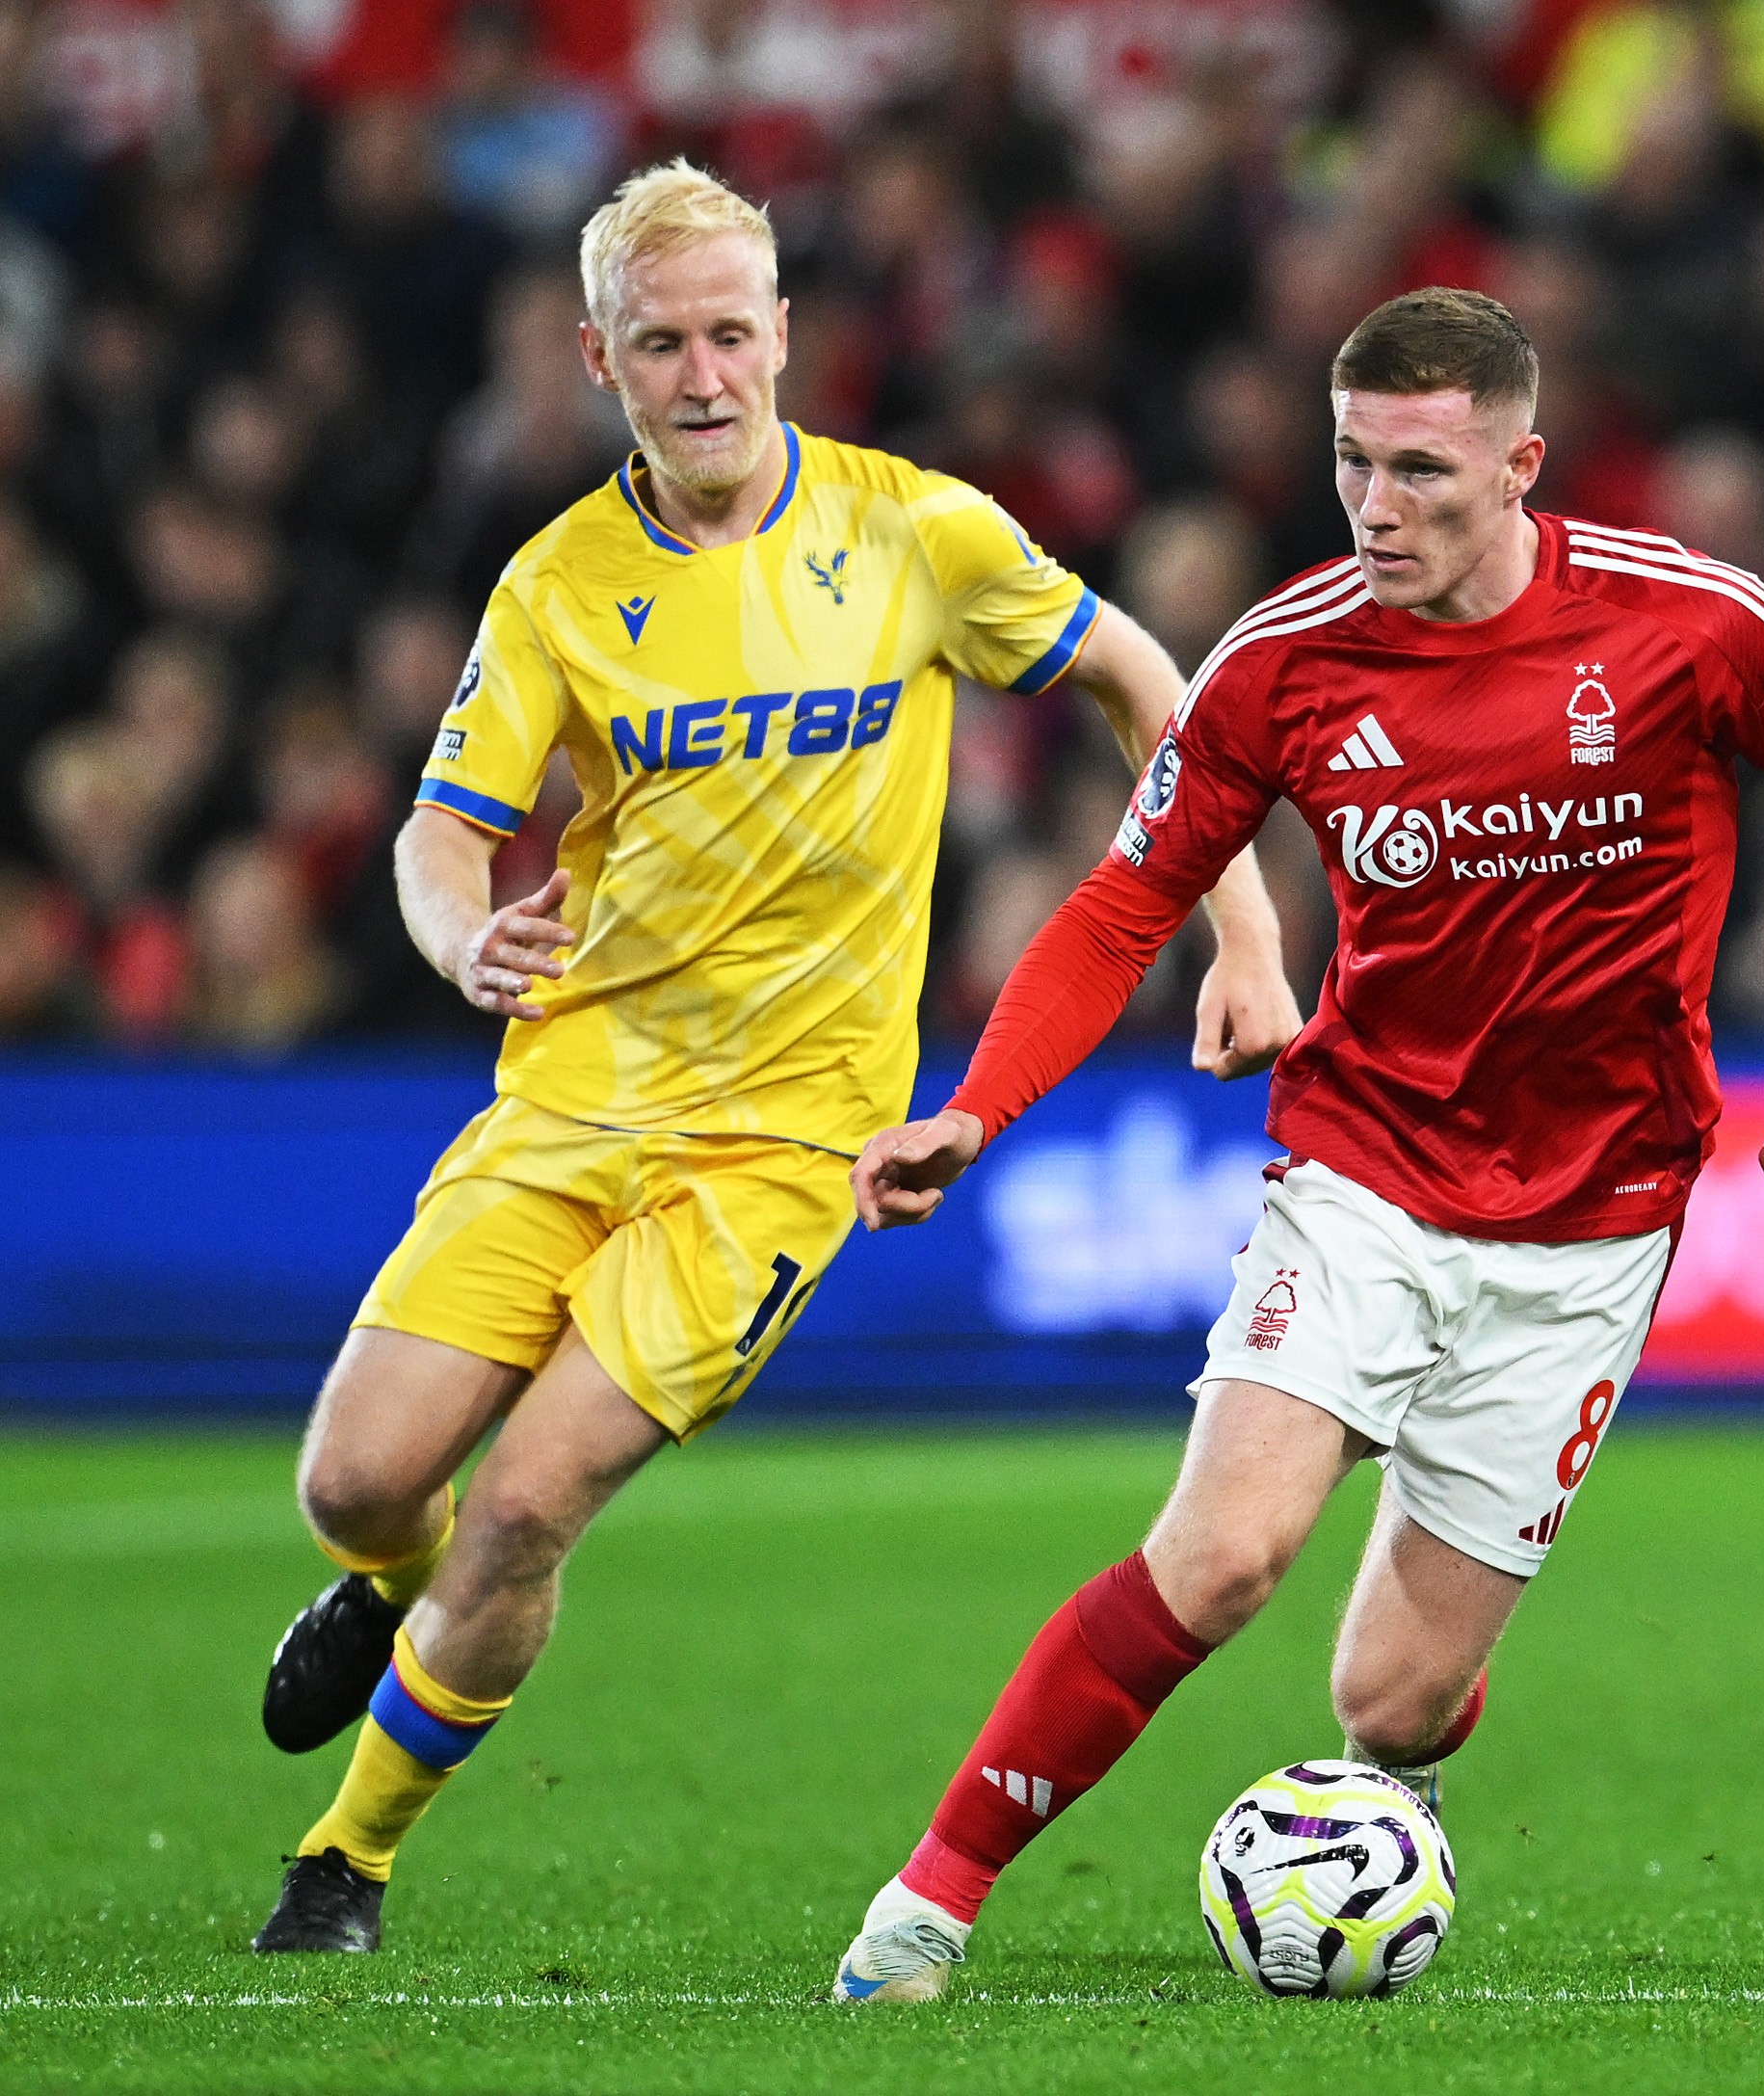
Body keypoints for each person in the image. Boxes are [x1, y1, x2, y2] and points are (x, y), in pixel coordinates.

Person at [824, 287, 1764, 2002]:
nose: (1378, 505)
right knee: (1222, 1555)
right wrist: (977, 1104)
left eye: (1421, 468)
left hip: (1593, 1221)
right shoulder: (1282, 658)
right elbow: (1128, 901)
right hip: (1367, 1169)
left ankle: (1382, 1792)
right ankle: (925, 1907)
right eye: (1353, 462)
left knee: (1392, 1705)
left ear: (1520, 464)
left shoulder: (1685, 624)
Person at [248, 160, 1301, 1953]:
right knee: (356, 1485)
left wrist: (1248, 934)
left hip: (782, 1150)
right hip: (570, 1095)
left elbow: (1146, 678)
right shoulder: (558, 584)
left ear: (787, 335)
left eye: (734, 331)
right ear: (599, 358)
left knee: (521, 1509)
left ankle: (345, 1858)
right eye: (661, 342)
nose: (706, 373)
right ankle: (392, 1600)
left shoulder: (912, 533)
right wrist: (459, 936)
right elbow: (440, 837)